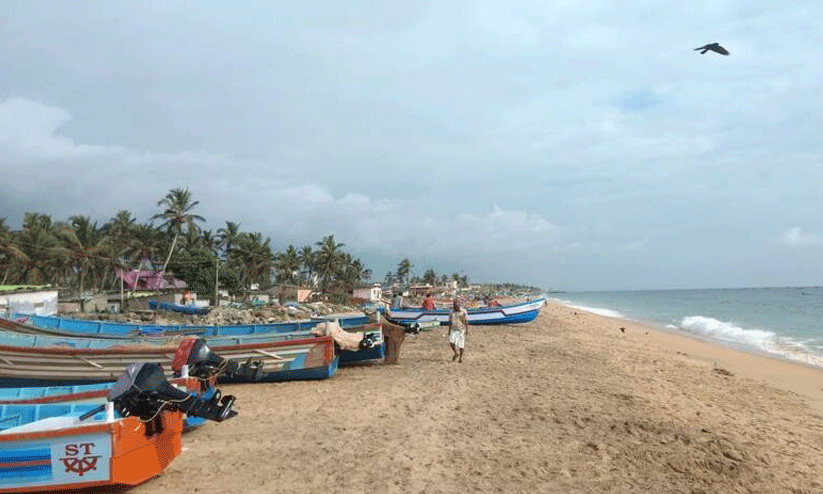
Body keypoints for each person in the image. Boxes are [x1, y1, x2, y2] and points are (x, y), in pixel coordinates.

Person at [448, 298, 468, 363]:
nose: (455, 306)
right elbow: (450, 322)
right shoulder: (451, 312)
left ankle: (461, 358)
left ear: (459, 305)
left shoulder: (463, 311)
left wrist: (467, 329)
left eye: (456, 305)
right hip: (453, 329)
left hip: (461, 329)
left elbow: (466, 321)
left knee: (461, 345)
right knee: (451, 342)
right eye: (454, 305)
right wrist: (449, 330)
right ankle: (456, 353)